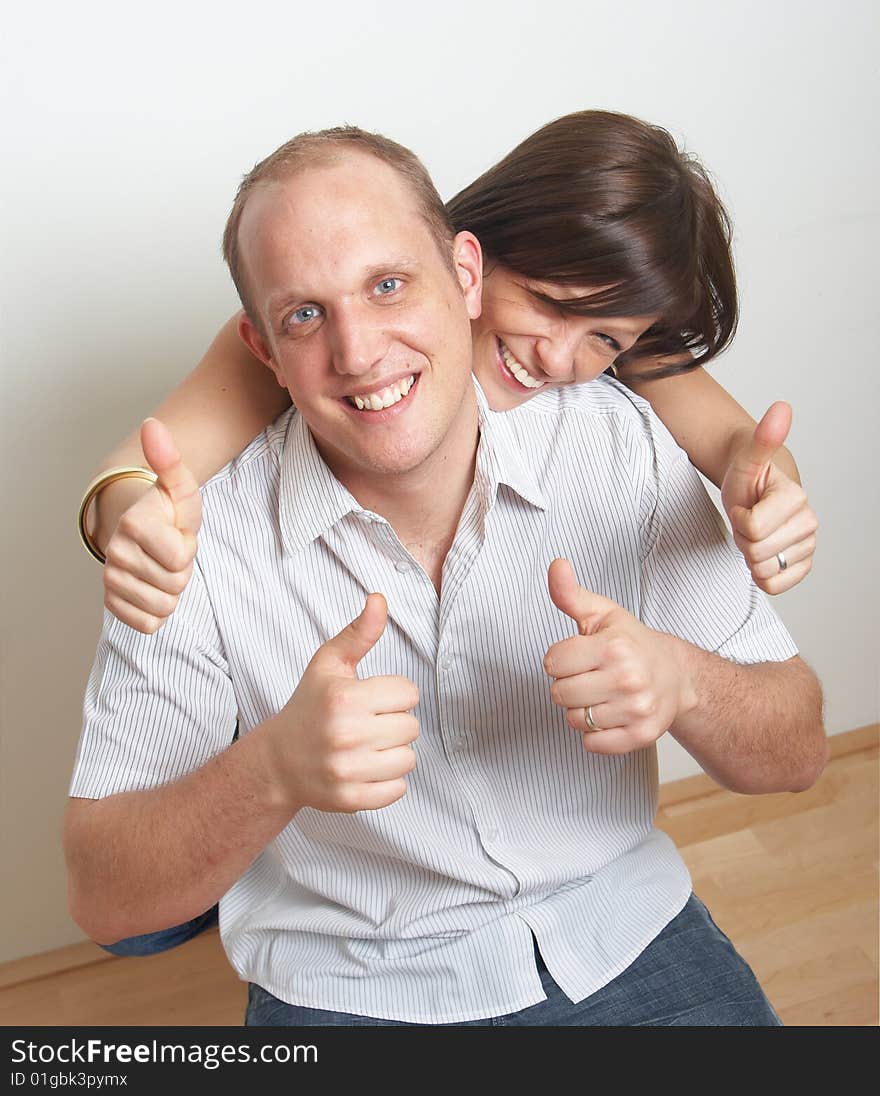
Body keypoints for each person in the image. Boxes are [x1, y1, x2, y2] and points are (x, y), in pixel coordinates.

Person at [65, 126, 827, 1026]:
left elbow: (800, 749)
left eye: (390, 285)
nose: (358, 350)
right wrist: (272, 768)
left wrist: (687, 674)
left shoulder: (613, 433)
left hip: (615, 927)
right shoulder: (201, 529)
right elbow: (107, 901)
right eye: (306, 314)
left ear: (460, 272)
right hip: (358, 979)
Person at [83, 112, 817, 643]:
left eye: (604, 339)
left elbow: (737, 445)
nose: (559, 360)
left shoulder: (600, 368)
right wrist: (131, 525)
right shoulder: (329, 338)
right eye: (547, 306)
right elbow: (138, 474)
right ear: (474, 257)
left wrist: (771, 489)